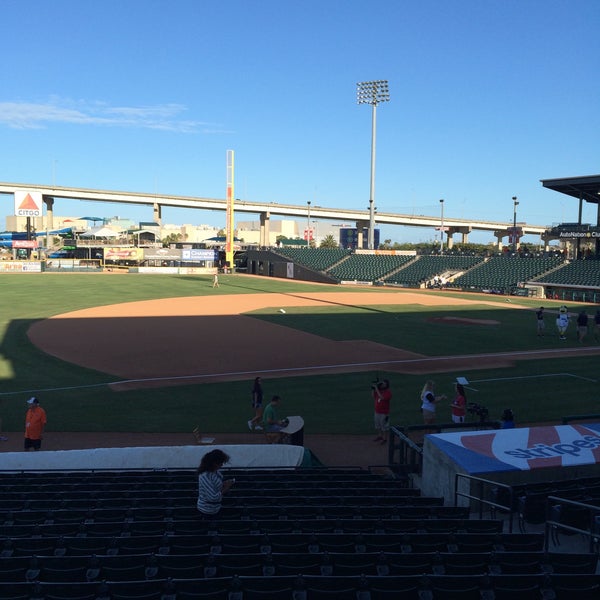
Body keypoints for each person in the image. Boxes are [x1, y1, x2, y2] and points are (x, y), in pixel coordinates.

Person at [196, 449, 235, 517]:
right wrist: (226, 488)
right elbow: (213, 497)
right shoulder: (205, 476)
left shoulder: (215, 472)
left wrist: (224, 483)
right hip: (207, 511)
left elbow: (215, 486)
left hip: (216, 508)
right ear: (215, 463)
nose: (222, 465)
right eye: (221, 463)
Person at [372, 379, 392, 445]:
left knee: (384, 426)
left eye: (383, 384)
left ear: (386, 385)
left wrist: (377, 389)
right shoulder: (379, 391)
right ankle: (380, 436)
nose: (382, 385)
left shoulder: (388, 392)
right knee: (378, 425)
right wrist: (373, 389)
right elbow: (373, 396)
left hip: (384, 413)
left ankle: (385, 438)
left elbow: (382, 398)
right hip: (377, 411)